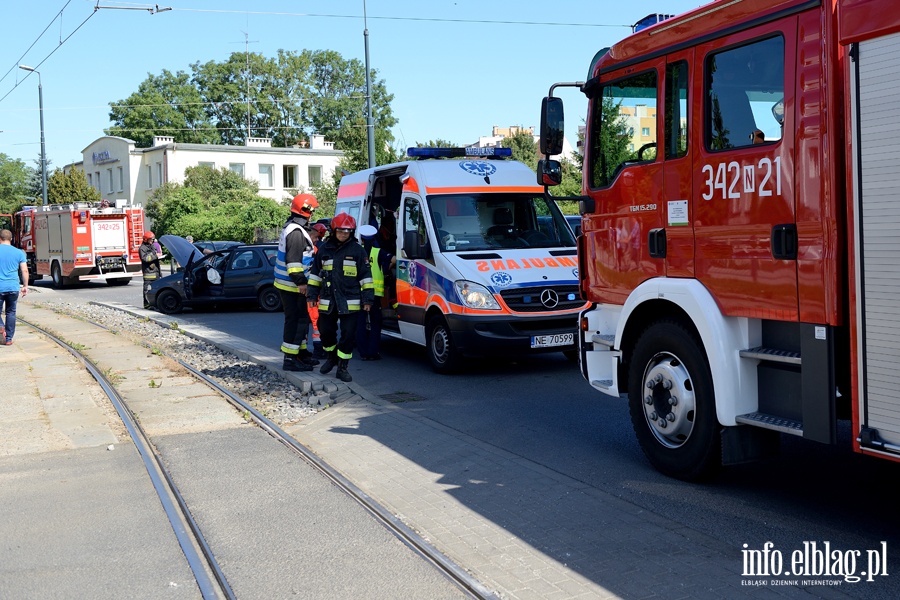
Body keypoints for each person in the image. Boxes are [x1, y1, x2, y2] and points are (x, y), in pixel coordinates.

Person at [307, 213, 374, 382]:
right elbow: (315, 275)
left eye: (348, 231)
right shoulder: (324, 249)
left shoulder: (357, 250)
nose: (344, 234)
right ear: (334, 231)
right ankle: (331, 357)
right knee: (326, 332)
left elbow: (366, 276)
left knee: (348, 335)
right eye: (341, 231)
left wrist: (367, 300)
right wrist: (312, 295)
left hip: (350, 300)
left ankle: (343, 367)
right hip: (328, 300)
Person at [275, 193, 319, 372]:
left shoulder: (293, 228)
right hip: (293, 285)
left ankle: (300, 354)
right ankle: (290, 359)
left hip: (289, 284)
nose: (314, 213)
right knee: (296, 321)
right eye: (312, 210)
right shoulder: (296, 232)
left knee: (300, 319)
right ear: (306, 210)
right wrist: (301, 283)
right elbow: (293, 263)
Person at [356, 224, 388, 361]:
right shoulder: (379, 252)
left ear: (362, 239)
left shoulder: (357, 251)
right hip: (374, 294)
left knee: (360, 323)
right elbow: (392, 260)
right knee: (376, 323)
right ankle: (373, 352)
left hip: (359, 292)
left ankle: (363, 352)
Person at [0, 229, 28, 346]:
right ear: (11, 239)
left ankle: (1, 326)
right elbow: (24, 270)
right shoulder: (19, 252)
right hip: (13, 287)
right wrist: (25, 286)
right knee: (11, 312)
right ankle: (9, 339)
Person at [139, 231, 162, 309]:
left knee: (157, 289)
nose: (152, 241)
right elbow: (145, 258)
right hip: (149, 273)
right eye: (151, 239)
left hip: (156, 272)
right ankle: (147, 304)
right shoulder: (142, 248)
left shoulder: (152, 246)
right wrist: (155, 255)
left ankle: (155, 304)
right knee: (147, 290)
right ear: (146, 239)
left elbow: (155, 254)